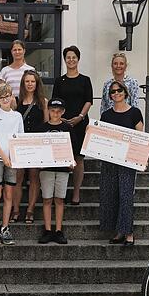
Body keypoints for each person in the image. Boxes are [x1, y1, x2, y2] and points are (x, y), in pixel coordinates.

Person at [99, 81, 144, 246]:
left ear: (125, 92)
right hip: (109, 161)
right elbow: (101, 138)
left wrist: (141, 158)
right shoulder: (106, 115)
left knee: (125, 196)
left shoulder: (135, 113)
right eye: (112, 91)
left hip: (128, 161)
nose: (116, 93)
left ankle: (129, 232)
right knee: (111, 196)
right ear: (110, 95)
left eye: (119, 90)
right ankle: (119, 231)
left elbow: (141, 138)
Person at [51, 45, 93, 206]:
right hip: (62, 123)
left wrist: (80, 117)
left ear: (78, 59)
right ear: (64, 59)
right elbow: (55, 103)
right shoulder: (59, 81)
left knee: (79, 158)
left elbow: (89, 100)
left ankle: (76, 193)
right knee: (62, 157)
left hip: (80, 123)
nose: (71, 60)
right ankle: (60, 193)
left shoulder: (85, 80)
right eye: (68, 57)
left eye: (73, 57)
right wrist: (60, 118)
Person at [0, 83, 24, 245]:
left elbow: (20, 139)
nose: (5, 99)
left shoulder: (17, 116)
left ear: (11, 96)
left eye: (8, 95)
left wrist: (15, 158)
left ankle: (5, 227)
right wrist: (3, 156)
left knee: (9, 194)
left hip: (13, 160)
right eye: (2, 97)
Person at [11, 70, 49, 224]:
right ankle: (15, 210)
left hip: (36, 145)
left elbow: (47, 123)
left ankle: (30, 210)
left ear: (37, 83)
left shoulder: (43, 102)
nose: (30, 84)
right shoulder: (16, 101)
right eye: (27, 81)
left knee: (34, 177)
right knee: (18, 178)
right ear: (23, 83)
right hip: (20, 145)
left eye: (32, 81)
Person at [35, 99, 72, 244]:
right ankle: (48, 230)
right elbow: (37, 148)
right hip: (46, 168)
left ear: (63, 112)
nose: (55, 113)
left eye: (58, 111)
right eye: (52, 110)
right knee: (47, 199)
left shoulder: (67, 128)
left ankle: (58, 230)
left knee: (59, 199)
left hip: (63, 169)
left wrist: (71, 161)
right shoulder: (42, 128)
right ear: (48, 111)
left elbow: (72, 147)